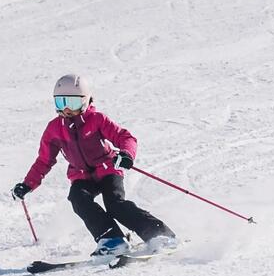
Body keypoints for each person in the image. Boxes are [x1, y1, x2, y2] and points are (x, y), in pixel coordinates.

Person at [12, 74, 177, 256]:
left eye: (72, 103)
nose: (66, 109)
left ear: (85, 100)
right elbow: (44, 160)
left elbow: (125, 137)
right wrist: (27, 184)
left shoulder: (97, 119)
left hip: (108, 169)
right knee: (78, 198)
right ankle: (112, 240)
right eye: (60, 102)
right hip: (81, 175)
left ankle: (159, 234)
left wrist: (126, 154)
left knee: (115, 205)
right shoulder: (54, 129)